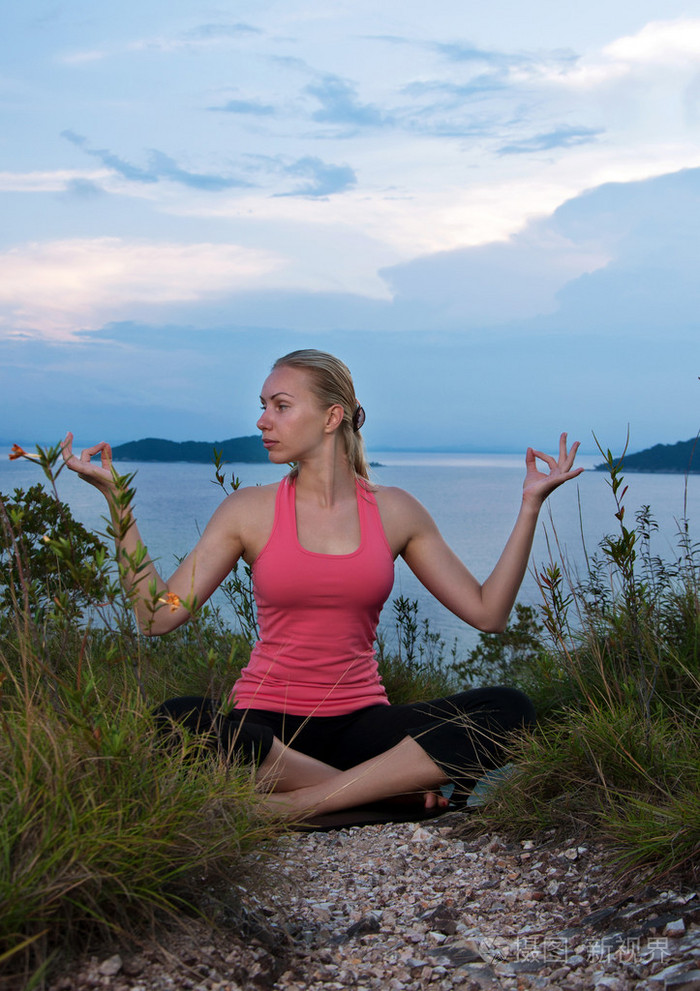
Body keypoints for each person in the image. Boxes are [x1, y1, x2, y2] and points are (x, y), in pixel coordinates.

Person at [62, 349, 583, 821]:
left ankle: (299, 805)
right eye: (263, 406)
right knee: (180, 721)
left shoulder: (395, 511)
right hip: (268, 734)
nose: (263, 421)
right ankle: (379, 796)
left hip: (364, 729)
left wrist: (530, 506)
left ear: (332, 417)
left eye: (281, 406)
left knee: (510, 709)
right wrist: (118, 504)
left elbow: (487, 613)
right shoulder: (249, 512)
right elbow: (159, 614)